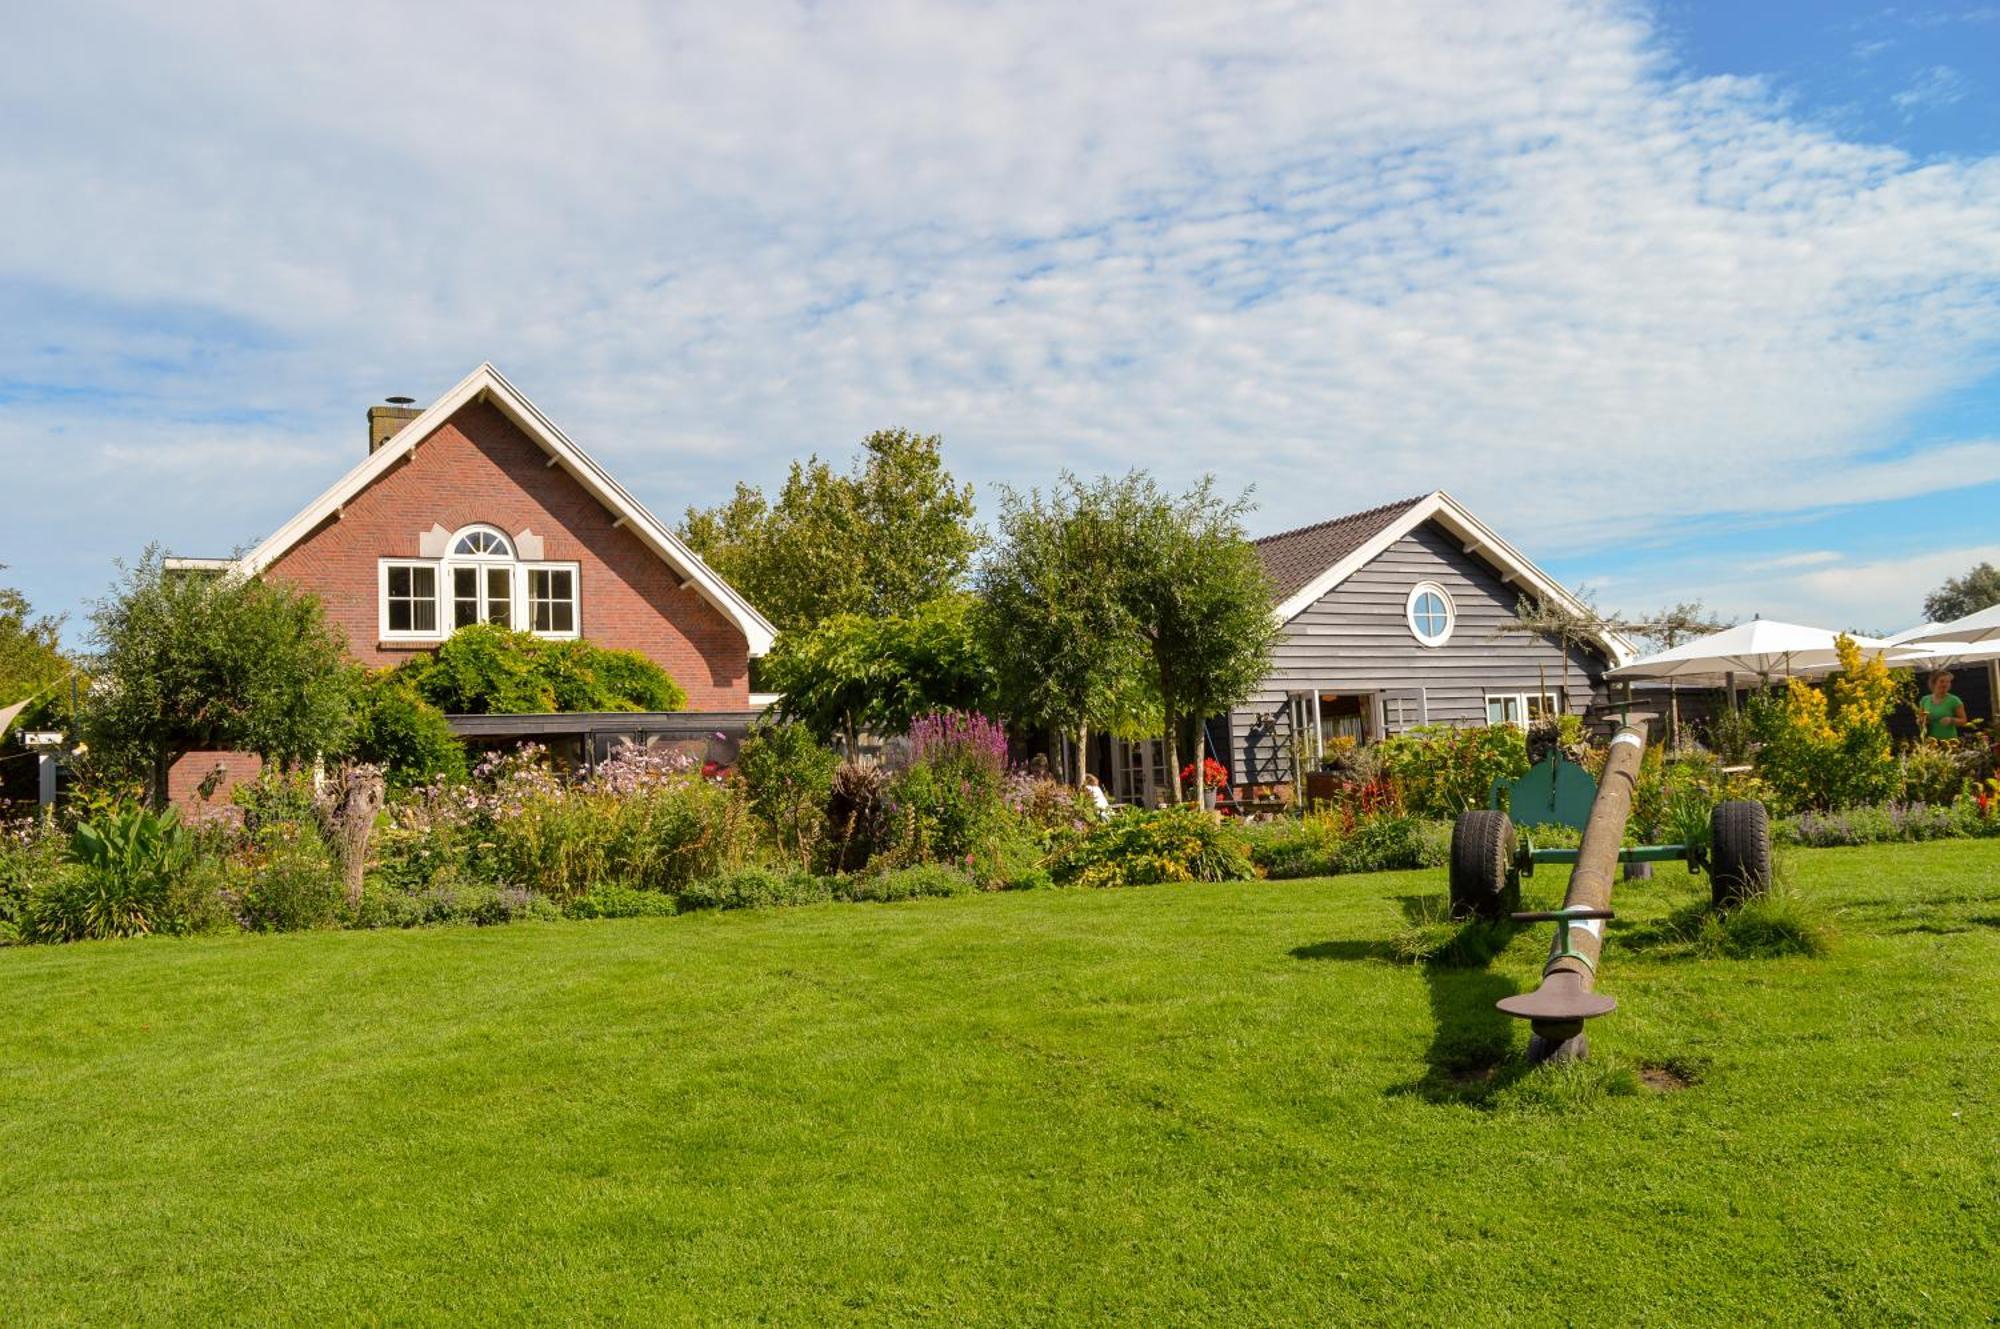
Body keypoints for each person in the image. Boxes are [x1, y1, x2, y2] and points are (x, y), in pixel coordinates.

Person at [1921, 670, 1969, 741]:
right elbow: (1921, 718)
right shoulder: (1925, 700)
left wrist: (1951, 720)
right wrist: (1922, 720)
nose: (1945, 684)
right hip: (1930, 741)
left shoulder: (1954, 700)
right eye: (1942, 681)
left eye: (1948, 682)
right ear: (1934, 683)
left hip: (1949, 741)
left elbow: (1964, 721)